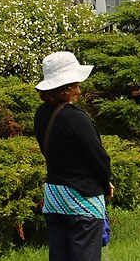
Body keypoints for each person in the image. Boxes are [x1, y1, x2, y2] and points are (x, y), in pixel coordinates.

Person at [34, 51, 114, 261]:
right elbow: (99, 159)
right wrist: (106, 184)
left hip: (54, 198)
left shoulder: (41, 114)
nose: (79, 87)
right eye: (76, 82)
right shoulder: (76, 118)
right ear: (67, 87)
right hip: (83, 200)